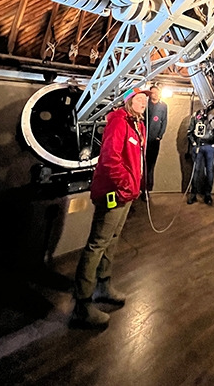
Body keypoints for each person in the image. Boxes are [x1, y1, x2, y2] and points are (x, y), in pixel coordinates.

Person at [72, 88, 149, 328]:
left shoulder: (138, 125)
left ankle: (103, 286)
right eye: (139, 98)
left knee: (113, 238)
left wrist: (133, 187)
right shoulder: (118, 122)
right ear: (128, 101)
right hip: (113, 193)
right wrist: (126, 184)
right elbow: (109, 159)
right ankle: (82, 305)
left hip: (127, 193)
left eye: (146, 99)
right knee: (98, 243)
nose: (144, 102)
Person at [187, 108, 214, 205]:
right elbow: (190, 131)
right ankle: (193, 194)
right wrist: (194, 143)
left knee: (209, 171)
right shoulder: (196, 115)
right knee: (196, 170)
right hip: (198, 146)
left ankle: (208, 194)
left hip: (210, 146)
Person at [145, 84, 168, 197]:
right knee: (142, 164)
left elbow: (164, 121)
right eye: (152, 92)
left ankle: (148, 189)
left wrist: (159, 136)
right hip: (143, 140)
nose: (154, 94)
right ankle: (139, 188)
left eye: (156, 92)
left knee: (150, 165)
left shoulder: (163, 106)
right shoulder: (145, 105)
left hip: (154, 140)